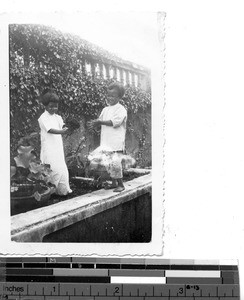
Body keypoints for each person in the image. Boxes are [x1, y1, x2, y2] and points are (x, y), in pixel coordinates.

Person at [88, 83, 127, 192]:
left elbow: (115, 122)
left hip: (116, 141)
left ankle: (121, 184)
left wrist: (100, 122)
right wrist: (96, 125)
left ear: (119, 97)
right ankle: (114, 183)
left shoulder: (121, 109)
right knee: (109, 162)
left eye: (113, 96)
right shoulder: (105, 109)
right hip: (106, 141)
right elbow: (100, 122)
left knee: (115, 162)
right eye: (108, 95)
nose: (110, 98)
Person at [38, 90, 72, 195]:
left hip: (57, 147)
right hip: (48, 147)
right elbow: (50, 130)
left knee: (61, 168)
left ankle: (61, 191)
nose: (53, 109)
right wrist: (62, 131)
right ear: (45, 106)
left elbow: (63, 127)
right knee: (51, 167)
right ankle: (48, 192)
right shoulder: (43, 118)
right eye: (51, 106)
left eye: (55, 106)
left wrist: (69, 128)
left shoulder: (58, 117)